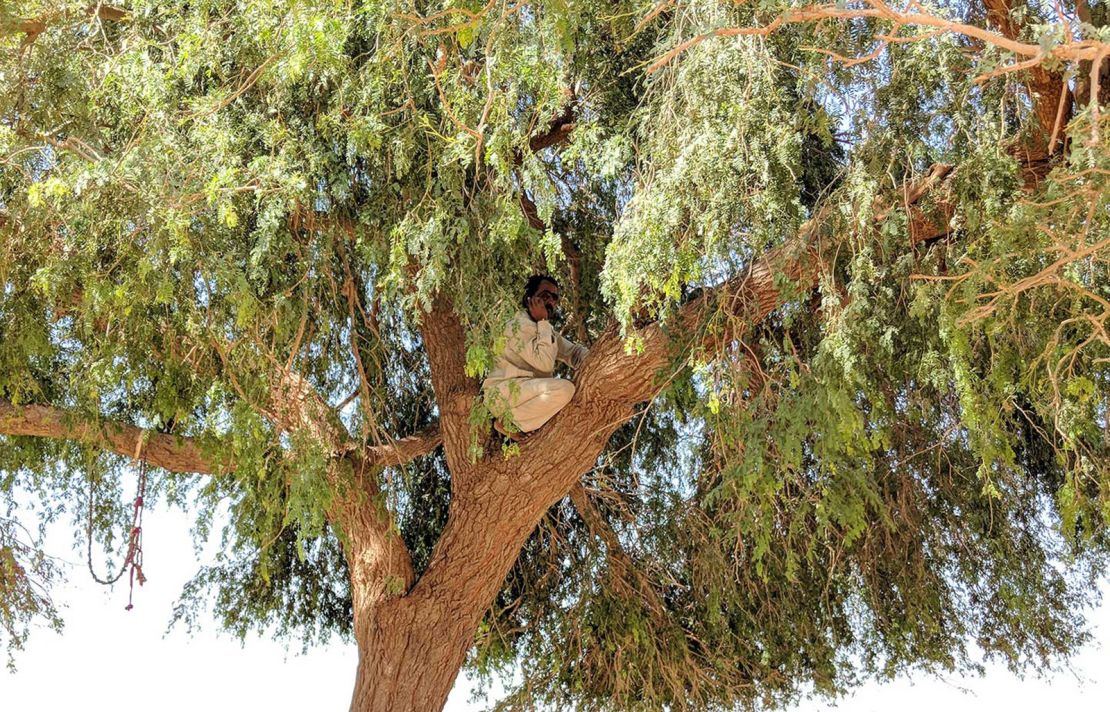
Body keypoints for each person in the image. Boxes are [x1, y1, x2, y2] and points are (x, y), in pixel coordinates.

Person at [483, 275, 588, 439]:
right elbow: (544, 363)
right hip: (504, 394)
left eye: (554, 298)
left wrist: (600, 360)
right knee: (565, 389)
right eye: (545, 295)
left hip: (525, 394)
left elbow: (573, 353)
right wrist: (543, 321)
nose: (551, 302)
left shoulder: (545, 329)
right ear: (529, 299)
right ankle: (510, 423)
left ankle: (519, 422)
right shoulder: (516, 325)